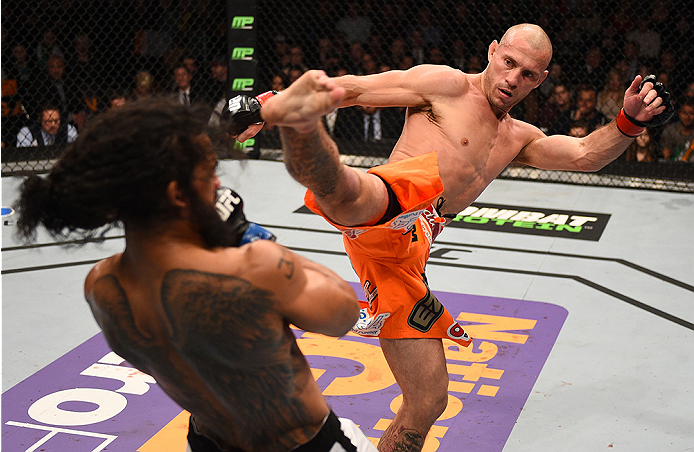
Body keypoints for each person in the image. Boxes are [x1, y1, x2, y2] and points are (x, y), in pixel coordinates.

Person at [227, 23, 673, 451]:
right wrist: (267, 106)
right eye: (509, 63)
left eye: (528, 75)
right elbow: (356, 88)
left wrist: (629, 122)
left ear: (541, 80)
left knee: (429, 400)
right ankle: (297, 123)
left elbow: (584, 156)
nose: (513, 79)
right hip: (391, 202)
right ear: (492, 51)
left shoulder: (518, 136)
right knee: (353, 192)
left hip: (405, 258)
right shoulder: (446, 85)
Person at [14, 97, 379, 452]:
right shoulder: (254, 267)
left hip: (207, 441)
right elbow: (343, 314)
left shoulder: (102, 287)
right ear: (177, 195)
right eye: (210, 174)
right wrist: (249, 237)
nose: (219, 185)